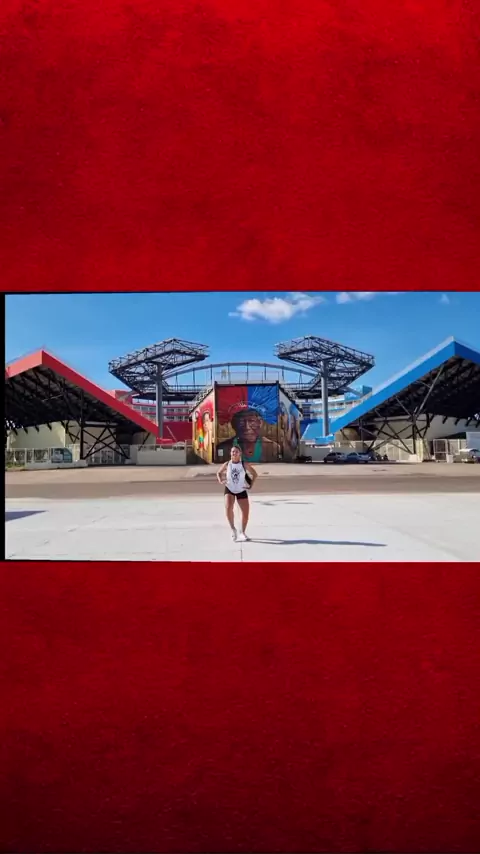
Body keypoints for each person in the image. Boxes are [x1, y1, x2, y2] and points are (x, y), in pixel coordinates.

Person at [217, 445, 257, 541]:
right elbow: (218, 473)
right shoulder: (227, 464)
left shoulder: (244, 464)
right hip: (229, 488)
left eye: (236, 451)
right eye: (232, 451)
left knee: (245, 513)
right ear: (230, 453)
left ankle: (242, 532)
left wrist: (250, 485)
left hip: (241, 490)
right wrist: (220, 480)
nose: (234, 453)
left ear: (240, 454)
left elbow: (255, 474)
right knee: (228, 508)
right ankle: (233, 529)